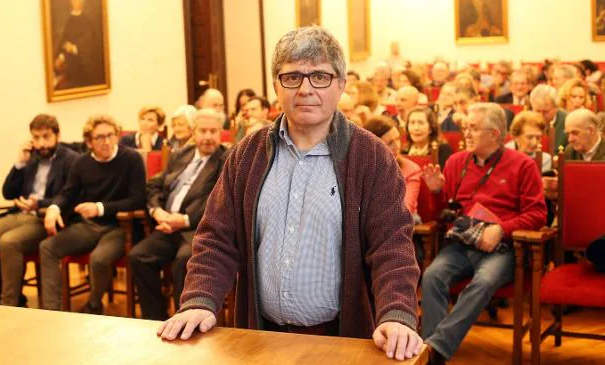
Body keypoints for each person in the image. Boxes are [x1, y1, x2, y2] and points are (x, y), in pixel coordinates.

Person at [157, 26, 423, 361]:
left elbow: (392, 245)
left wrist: (397, 313)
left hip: (340, 340)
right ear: (276, 86)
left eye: (320, 77)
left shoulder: (370, 157)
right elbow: (216, 238)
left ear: (341, 85)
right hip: (259, 338)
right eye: (292, 77)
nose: (306, 89)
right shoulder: (246, 154)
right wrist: (199, 298)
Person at [421, 103, 547, 365]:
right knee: (432, 276)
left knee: (484, 282)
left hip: (500, 248)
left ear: (496, 134)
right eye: (466, 127)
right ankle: (433, 355)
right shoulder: (456, 161)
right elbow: (442, 213)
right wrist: (435, 193)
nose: (466, 133)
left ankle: (433, 350)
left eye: (474, 128)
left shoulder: (523, 164)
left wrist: (502, 229)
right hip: (460, 243)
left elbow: (538, 215)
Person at [128, 109, 229, 320]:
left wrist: (182, 220)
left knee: (184, 260)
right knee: (138, 256)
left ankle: (183, 321)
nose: (208, 136)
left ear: (221, 132)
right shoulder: (180, 155)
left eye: (213, 131)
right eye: (203, 131)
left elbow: (217, 199)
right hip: (167, 225)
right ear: (193, 132)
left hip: (199, 229)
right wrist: (157, 212)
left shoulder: (225, 159)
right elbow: (154, 184)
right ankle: (154, 317)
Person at [40, 115, 146, 314]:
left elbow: (138, 199)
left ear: (117, 136)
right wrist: (54, 209)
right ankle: (51, 311)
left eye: (110, 135)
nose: (106, 142)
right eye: (99, 137)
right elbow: (67, 193)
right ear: (89, 141)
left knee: (98, 259)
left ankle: (94, 305)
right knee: (47, 247)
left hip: (120, 227)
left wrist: (100, 208)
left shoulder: (131, 159)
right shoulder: (81, 163)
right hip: (89, 226)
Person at [0, 114, 79, 306]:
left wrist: (40, 204)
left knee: (9, 242)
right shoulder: (30, 158)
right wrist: (19, 164)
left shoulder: (71, 160)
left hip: (44, 218)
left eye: (46, 137)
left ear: (57, 136)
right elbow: (8, 193)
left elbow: (68, 197)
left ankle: (9, 304)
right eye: (36, 137)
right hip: (19, 214)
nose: (41, 143)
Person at [365, 115, 421, 220]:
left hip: (399, 225)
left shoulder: (411, 169)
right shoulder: (361, 167)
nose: (397, 146)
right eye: (390, 142)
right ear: (373, 145)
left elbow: (405, 210)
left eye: (398, 139)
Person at [53, 0, 104, 90]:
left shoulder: (87, 21)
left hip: (83, 69)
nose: (75, 2)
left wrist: (74, 48)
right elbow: (64, 41)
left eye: (78, 1)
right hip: (69, 66)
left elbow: (89, 43)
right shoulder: (69, 19)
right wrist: (61, 56)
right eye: (73, 1)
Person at [530, 84, 568, 150]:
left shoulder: (567, 121)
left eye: (546, 112)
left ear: (556, 108)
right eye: (538, 111)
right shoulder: (526, 121)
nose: (541, 116)